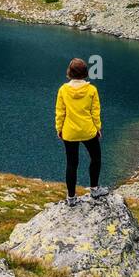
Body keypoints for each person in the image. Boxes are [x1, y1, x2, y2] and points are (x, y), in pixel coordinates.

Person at [55, 57, 102, 207]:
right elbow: (95, 112)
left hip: (70, 132)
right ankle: (94, 189)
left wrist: (59, 128)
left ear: (69, 72)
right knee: (95, 159)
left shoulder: (63, 90)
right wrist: (98, 128)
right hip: (88, 130)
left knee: (72, 163)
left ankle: (71, 198)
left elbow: (60, 112)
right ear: (86, 73)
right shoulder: (92, 90)